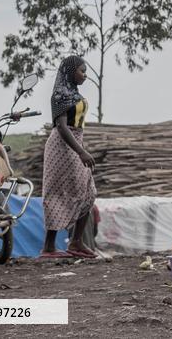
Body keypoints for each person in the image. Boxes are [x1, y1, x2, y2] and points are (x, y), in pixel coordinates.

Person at [40, 55, 98, 259]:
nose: (85, 75)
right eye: (82, 71)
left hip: (76, 142)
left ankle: (76, 242)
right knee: (57, 192)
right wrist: (81, 151)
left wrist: (81, 147)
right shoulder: (60, 95)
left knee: (88, 191)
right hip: (62, 146)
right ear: (69, 72)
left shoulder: (74, 93)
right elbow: (61, 126)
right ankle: (48, 247)